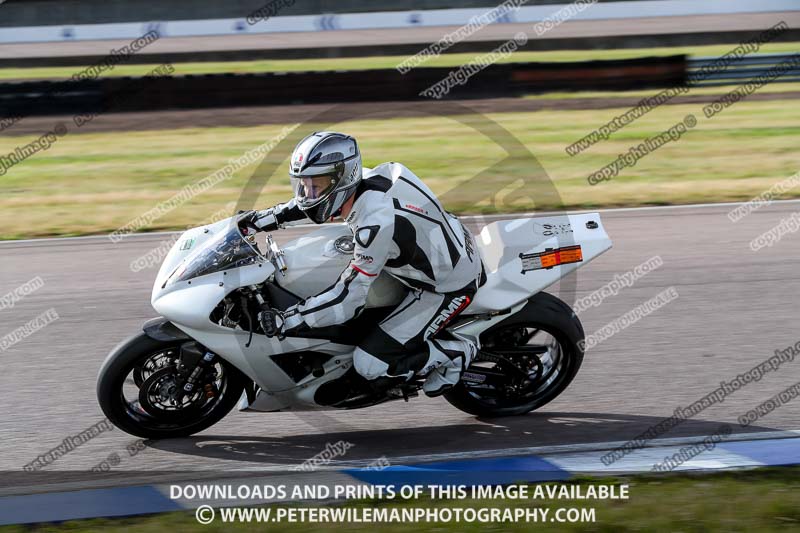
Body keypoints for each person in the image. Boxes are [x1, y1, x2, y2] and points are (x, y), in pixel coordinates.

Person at [250, 131, 484, 397]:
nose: (309, 193)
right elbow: (306, 205)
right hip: (430, 252)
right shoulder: (364, 181)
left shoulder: (375, 221)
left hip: (445, 286)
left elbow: (349, 299)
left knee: (370, 364)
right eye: (304, 184)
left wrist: (288, 320)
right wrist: (253, 221)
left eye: (318, 184)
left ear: (344, 177)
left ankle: (456, 352)